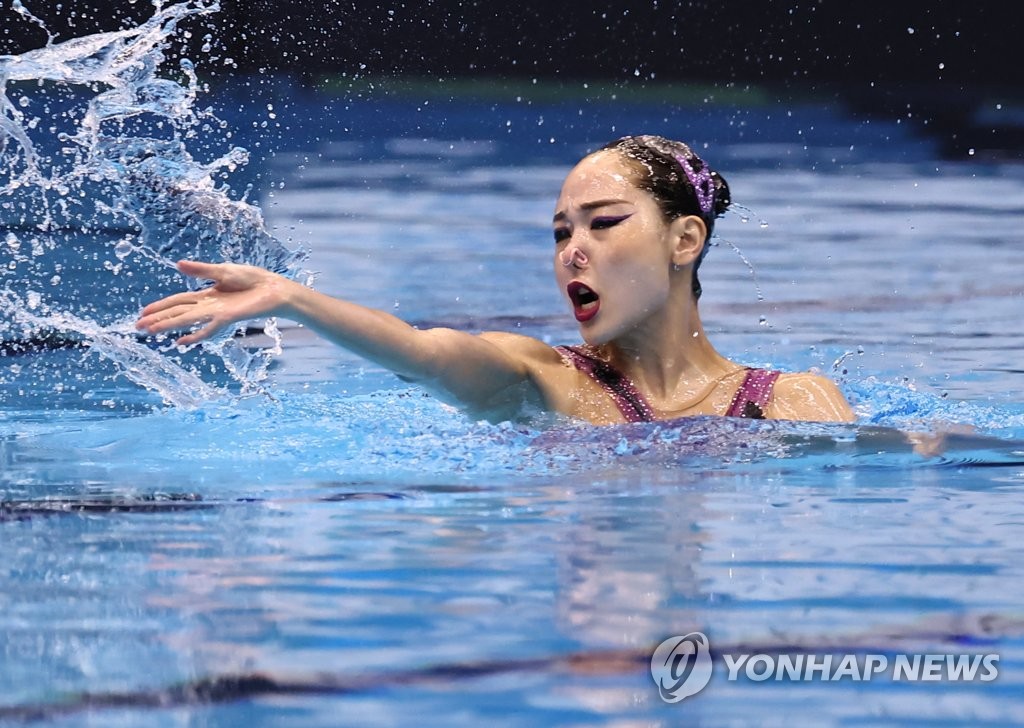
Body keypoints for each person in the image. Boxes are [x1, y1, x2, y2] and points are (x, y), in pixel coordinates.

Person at [136, 135, 855, 424]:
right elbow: (427, 352)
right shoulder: (545, 379)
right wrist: (293, 299)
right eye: (560, 232)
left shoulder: (791, 400)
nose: (573, 249)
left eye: (603, 223)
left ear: (685, 238)